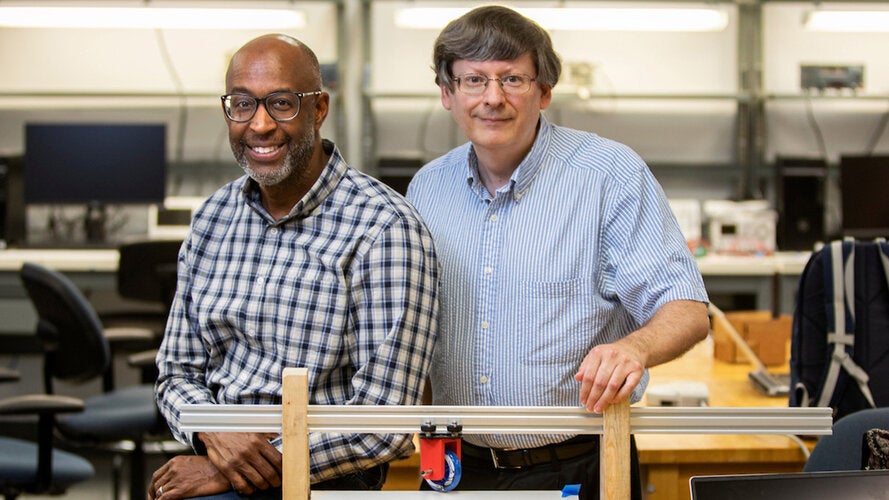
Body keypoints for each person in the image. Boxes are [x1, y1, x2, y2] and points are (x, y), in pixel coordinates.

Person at [405, 6, 710, 498]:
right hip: (454, 468)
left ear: (544, 91)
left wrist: (634, 347)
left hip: (578, 465)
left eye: (513, 79)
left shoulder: (609, 176)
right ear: (447, 93)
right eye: (474, 80)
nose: (493, 99)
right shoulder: (426, 188)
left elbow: (688, 310)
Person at [150, 34, 439, 500]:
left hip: (327, 477)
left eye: (281, 103)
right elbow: (176, 373)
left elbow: (383, 423)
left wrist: (238, 469)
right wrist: (214, 434)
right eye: (241, 104)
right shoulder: (212, 217)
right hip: (216, 453)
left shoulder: (384, 228)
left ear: (319, 108)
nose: (260, 124)